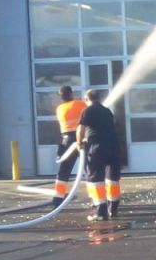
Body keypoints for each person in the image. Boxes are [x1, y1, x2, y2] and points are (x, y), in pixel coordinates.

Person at [76, 89, 122, 221]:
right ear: (99, 98)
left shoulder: (88, 110)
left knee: (95, 179)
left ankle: (100, 211)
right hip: (113, 147)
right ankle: (112, 209)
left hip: (97, 148)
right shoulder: (107, 111)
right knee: (112, 179)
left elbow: (81, 128)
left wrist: (79, 143)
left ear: (86, 99)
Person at [52, 85, 86, 206]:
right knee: (90, 170)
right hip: (82, 139)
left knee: (63, 171)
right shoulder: (80, 104)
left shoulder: (59, 108)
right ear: (71, 93)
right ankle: (96, 200)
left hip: (66, 140)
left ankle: (57, 199)